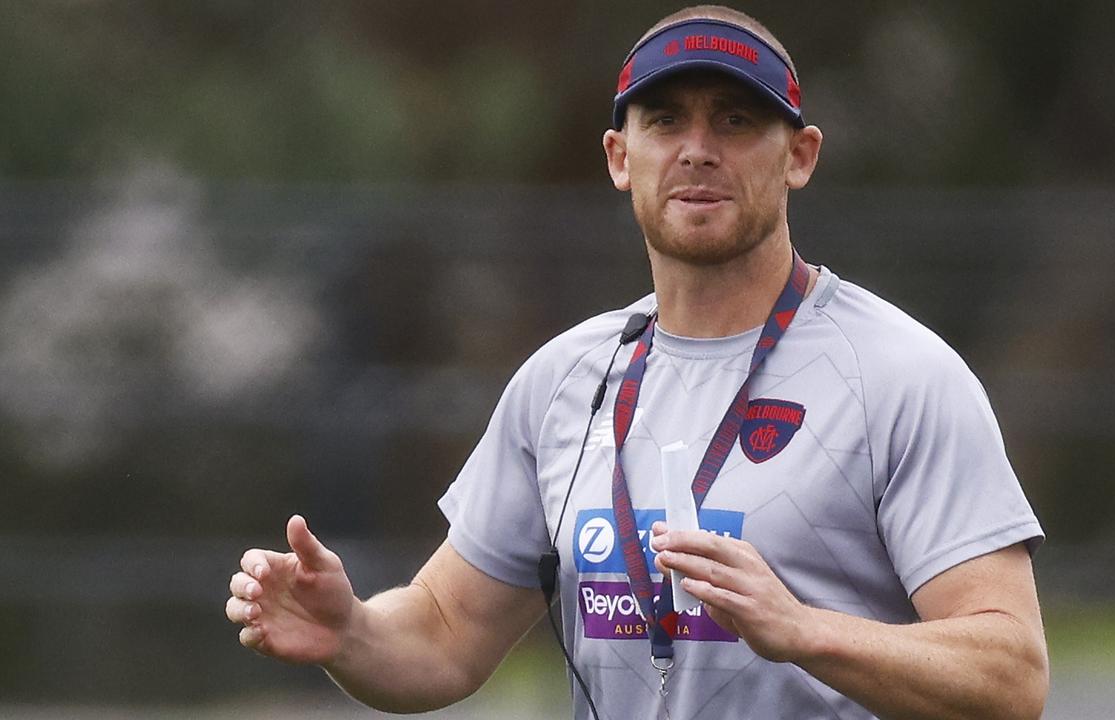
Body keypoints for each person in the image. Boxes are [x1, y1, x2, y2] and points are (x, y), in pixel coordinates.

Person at [225, 5, 1049, 719]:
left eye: (735, 120)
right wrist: (351, 634)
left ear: (799, 155)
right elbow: (444, 633)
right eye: (665, 121)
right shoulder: (562, 383)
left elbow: (1010, 676)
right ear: (622, 157)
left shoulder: (901, 376)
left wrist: (803, 629)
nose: (697, 149)